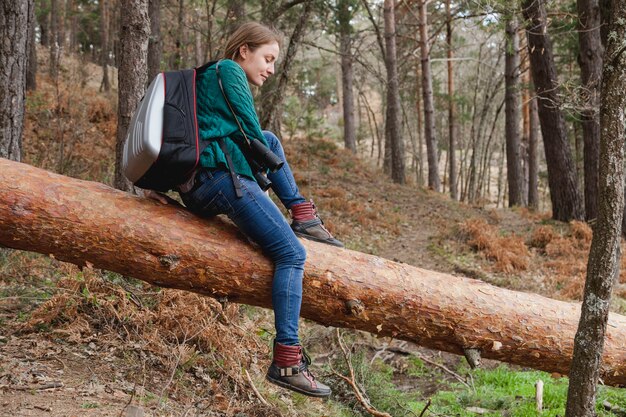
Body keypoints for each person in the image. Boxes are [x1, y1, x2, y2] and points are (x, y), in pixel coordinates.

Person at [148, 22, 341, 398]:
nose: (270, 68)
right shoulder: (229, 71)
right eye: (267, 58)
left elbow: (234, 135)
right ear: (243, 52)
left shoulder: (210, 78)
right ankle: (287, 360)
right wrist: (265, 176)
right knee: (292, 254)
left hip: (204, 183)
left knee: (271, 138)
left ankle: (302, 214)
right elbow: (250, 133)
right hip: (222, 181)